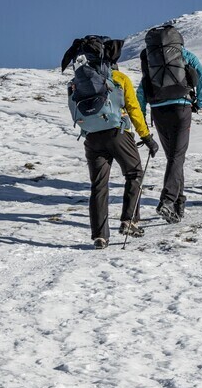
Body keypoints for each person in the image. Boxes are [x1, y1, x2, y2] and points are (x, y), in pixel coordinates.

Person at [61, 36, 159, 248]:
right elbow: (133, 109)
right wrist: (147, 138)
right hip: (117, 133)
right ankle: (129, 221)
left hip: (92, 138)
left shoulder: (76, 82)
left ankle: (100, 236)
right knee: (134, 173)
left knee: (98, 185)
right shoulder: (118, 78)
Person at [137, 24, 202, 223]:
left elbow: (143, 87)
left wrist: (141, 115)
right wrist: (199, 102)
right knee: (177, 157)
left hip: (159, 110)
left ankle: (178, 205)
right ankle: (167, 201)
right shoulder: (183, 53)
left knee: (174, 157)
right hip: (181, 108)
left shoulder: (149, 57)